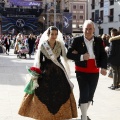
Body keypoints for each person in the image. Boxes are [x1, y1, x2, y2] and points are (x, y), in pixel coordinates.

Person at [18, 26, 77, 120]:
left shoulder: (60, 44)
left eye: (55, 34)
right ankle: (42, 113)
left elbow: (65, 57)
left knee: (63, 91)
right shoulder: (43, 45)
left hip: (59, 71)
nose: (54, 36)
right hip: (46, 70)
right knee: (41, 91)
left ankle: (59, 114)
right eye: (52, 34)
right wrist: (37, 74)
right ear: (48, 34)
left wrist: (74, 54)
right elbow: (40, 61)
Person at [67, 20, 107, 120]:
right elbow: (69, 54)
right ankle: (84, 117)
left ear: (94, 29)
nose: (88, 31)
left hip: (94, 71)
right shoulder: (77, 40)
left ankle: (83, 114)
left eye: (90, 29)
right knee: (84, 92)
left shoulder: (98, 40)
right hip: (81, 70)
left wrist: (104, 67)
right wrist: (81, 57)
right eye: (86, 29)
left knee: (90, 95)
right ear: (82, 29)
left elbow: (103, 55)